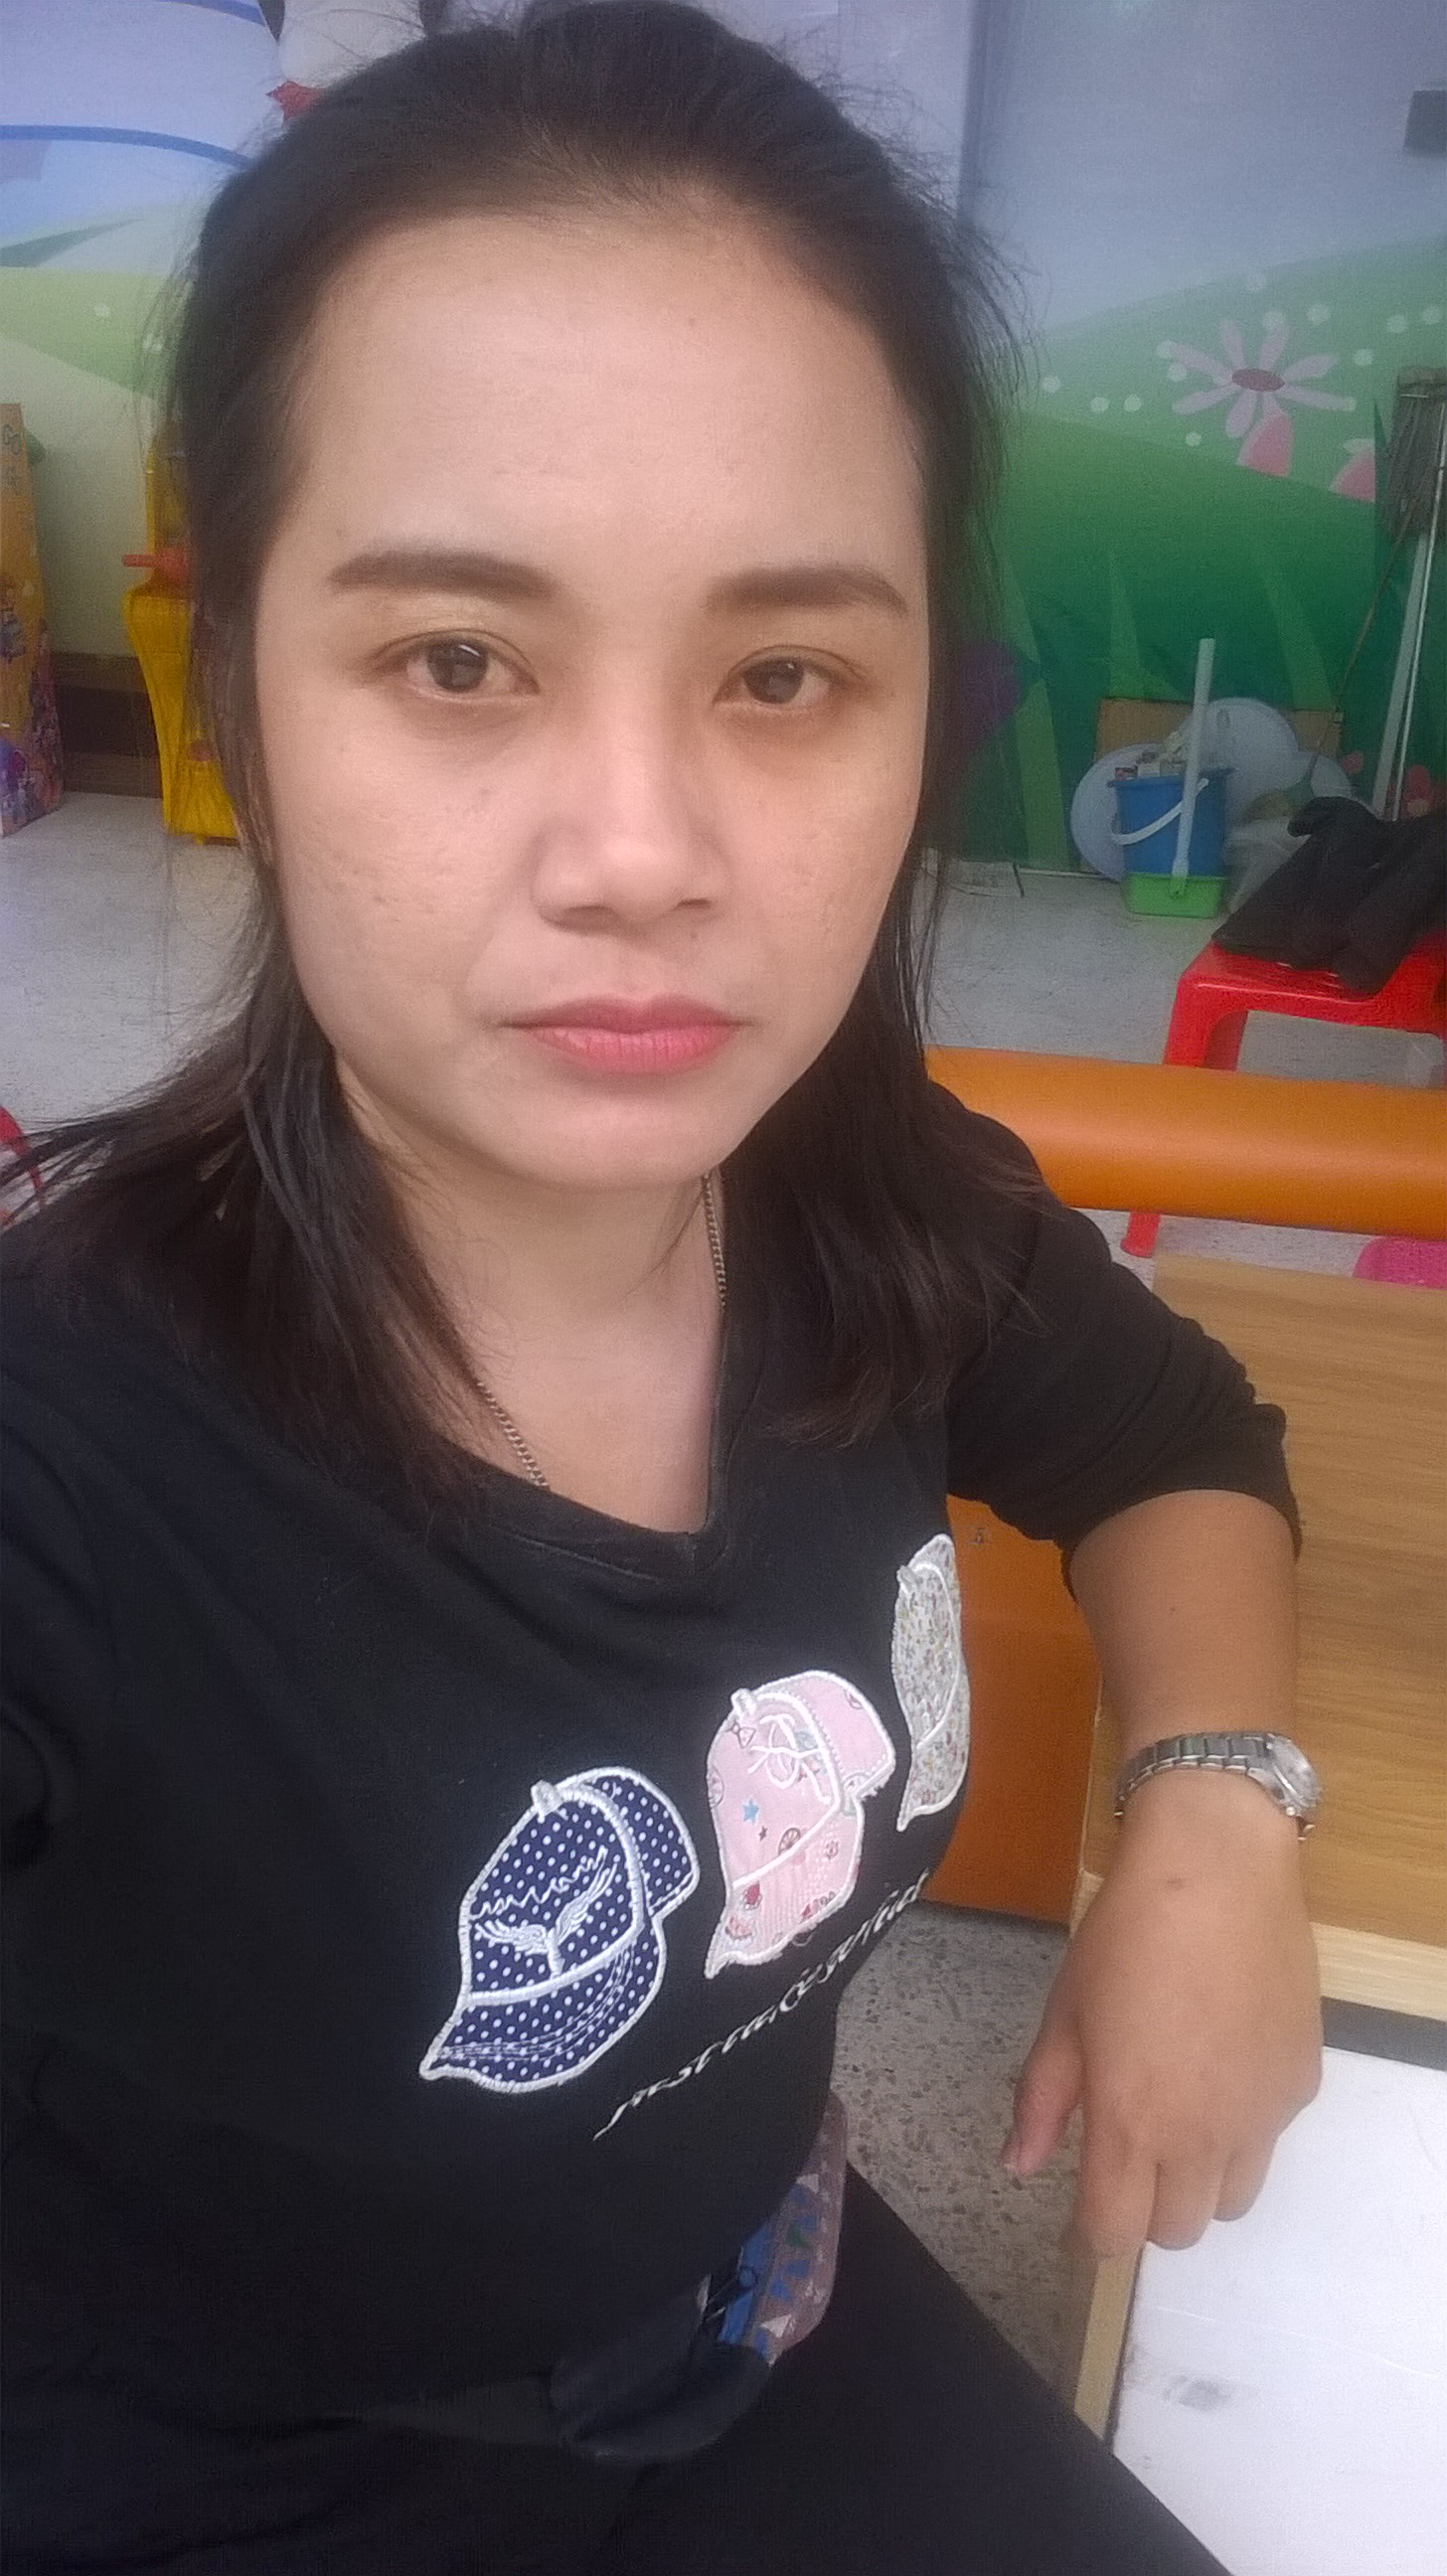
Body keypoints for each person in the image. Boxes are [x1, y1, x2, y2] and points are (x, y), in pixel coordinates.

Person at [1, 6, 1323, 2569]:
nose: (641, 851)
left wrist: (1216, 1812)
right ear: (242, 686)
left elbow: (1180, 1447)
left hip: (767, 2314)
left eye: (782, 676)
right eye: (458, 660)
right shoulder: (64, 1477)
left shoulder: (872, 1206)